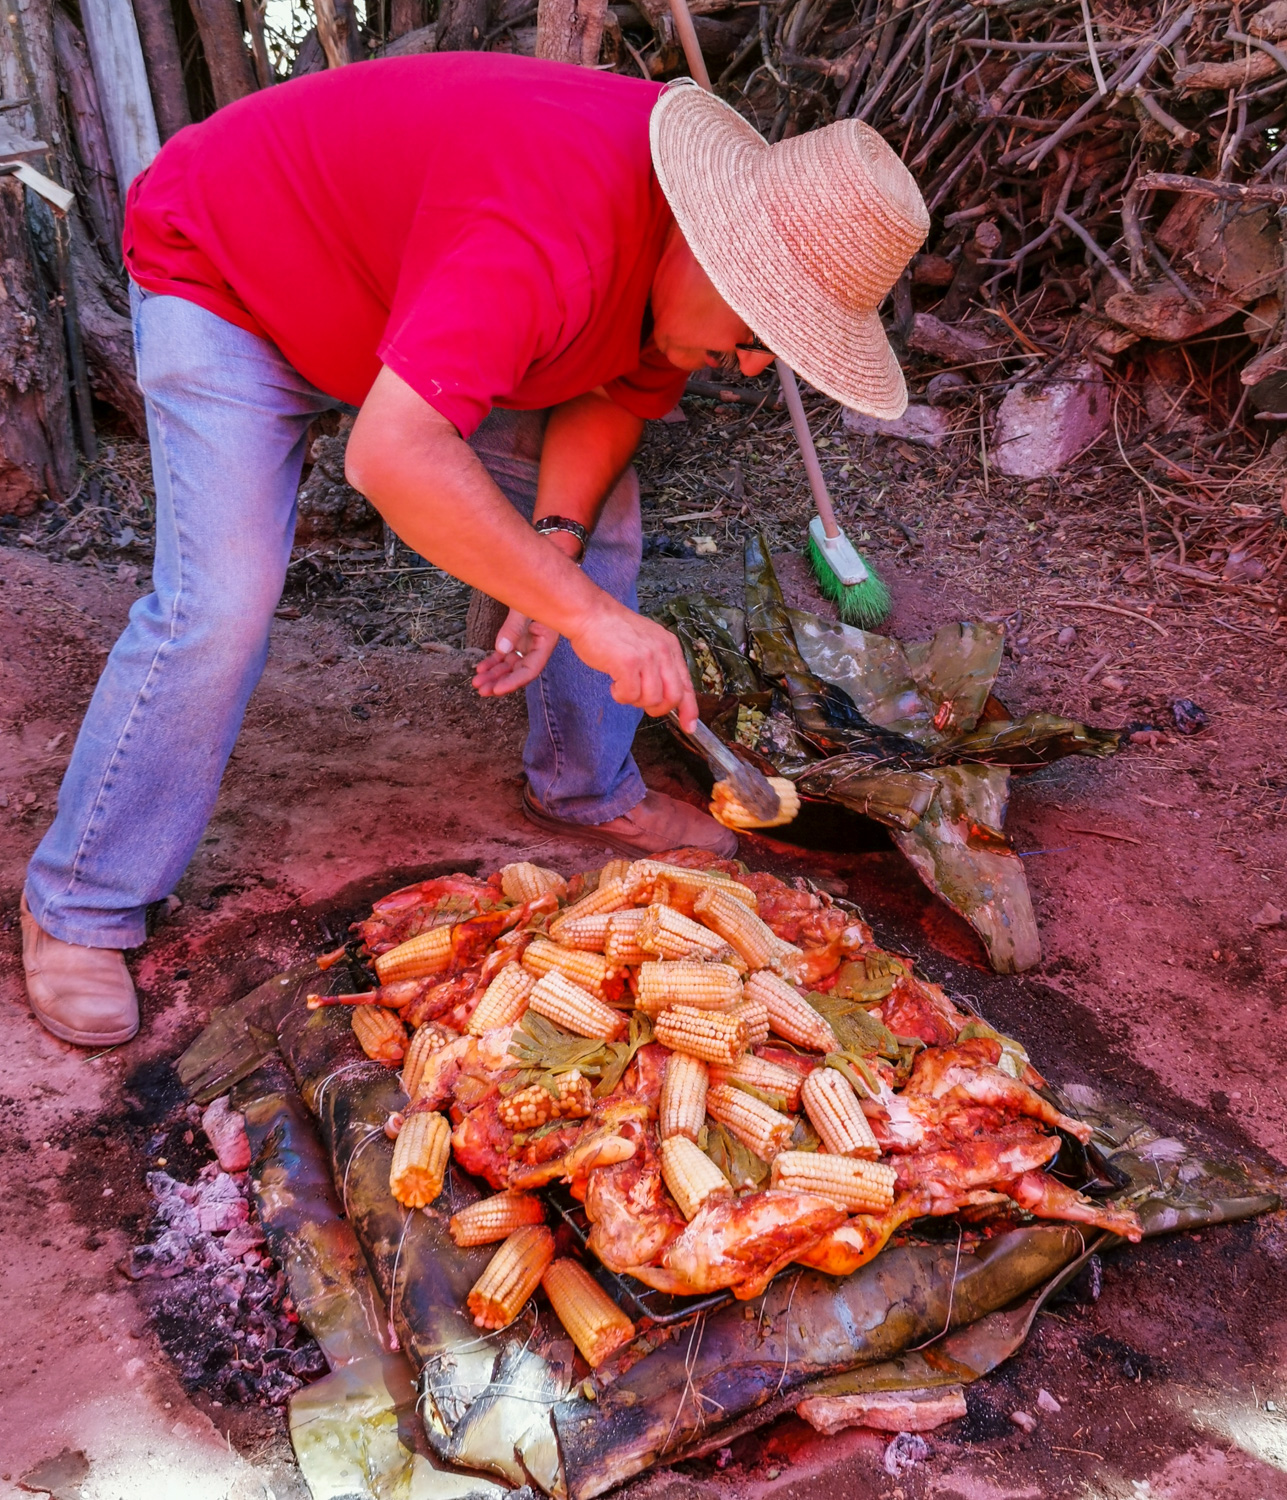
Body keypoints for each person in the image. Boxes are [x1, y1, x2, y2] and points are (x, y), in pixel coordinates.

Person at [19, 53, 929, 1047]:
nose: (752, 364)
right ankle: (81, 904)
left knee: (600, 524)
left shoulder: (669, 273)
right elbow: (393, 455)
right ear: (709, 250)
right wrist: (586, 613)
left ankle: (586, 790)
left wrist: (554, 557)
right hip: (233, 269)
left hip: (400, 300)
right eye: (756, 330)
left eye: (776, 350)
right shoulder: (546, 233)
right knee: (224, 596)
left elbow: (613, 396)